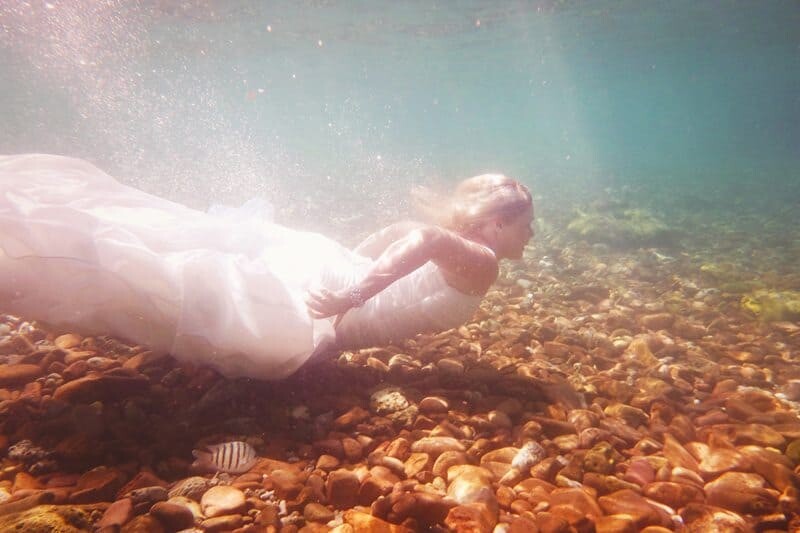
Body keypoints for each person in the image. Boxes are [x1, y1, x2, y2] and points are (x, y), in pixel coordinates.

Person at [0, 154, 533, 380]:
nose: (530, 235)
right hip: (334, 305)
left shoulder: (470, 253)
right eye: (525, 224)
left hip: (331, 274)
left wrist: (350, 268)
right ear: (494, 225)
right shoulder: (483, 262)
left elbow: (397, 236)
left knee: (178, 265)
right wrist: (353, 294)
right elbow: (419, 238)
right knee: (168, 285)